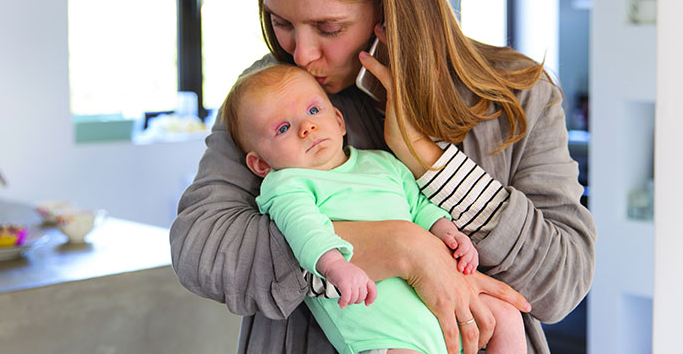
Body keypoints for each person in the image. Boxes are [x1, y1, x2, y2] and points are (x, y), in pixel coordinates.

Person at [170, 0, 596, 354]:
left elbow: (562, 280)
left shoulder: (517, 94)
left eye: (328, 27)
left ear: (391, 3)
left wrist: (429, 163)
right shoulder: (269, 99)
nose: (301, 54)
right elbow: (202, 249)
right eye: (282, 22)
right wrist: (403, 248)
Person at [222, 63, 526, 354]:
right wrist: (335, 265)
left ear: (338, 121)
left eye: (313, 110)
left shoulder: (383, 162)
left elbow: (419, 206)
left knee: (508, 315)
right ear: (260, 164)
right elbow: (304, 229)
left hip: (441, 302)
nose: (307, 127)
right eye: (283, 128)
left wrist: (449, 233)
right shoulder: (287, 183)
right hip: (384, 331)